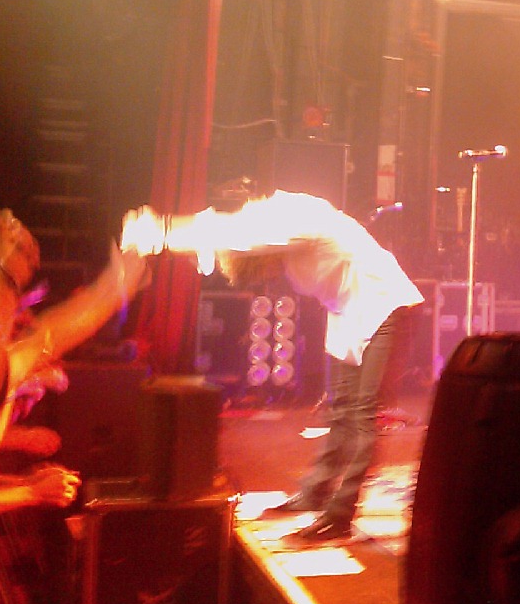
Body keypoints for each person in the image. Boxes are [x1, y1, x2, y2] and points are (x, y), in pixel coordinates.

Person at [122, 191, 424, 542]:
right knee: (341, 408)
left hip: (386, 305)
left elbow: (234, 234)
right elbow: (233, 238)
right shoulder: (282, 232)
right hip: (349, 311)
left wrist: (163, 232)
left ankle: (340, 516)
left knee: (360, 413)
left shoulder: (297, 215)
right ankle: (316, 493)